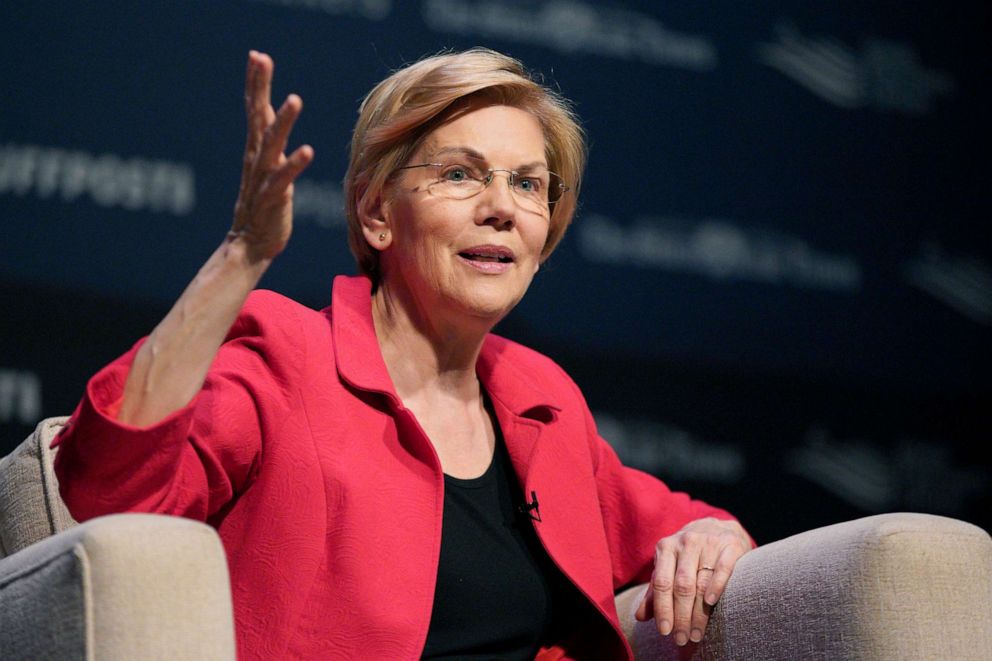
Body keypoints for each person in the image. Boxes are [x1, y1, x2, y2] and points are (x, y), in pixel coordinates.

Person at [52, 48, 753, 660]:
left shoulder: (540, 398)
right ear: (377, 213)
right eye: (461, 174)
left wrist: (711, 539)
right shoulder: (286, 356)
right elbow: (115, 492)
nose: (502, 206)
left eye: (528, 183)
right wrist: (242, 255)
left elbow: (685, 526)